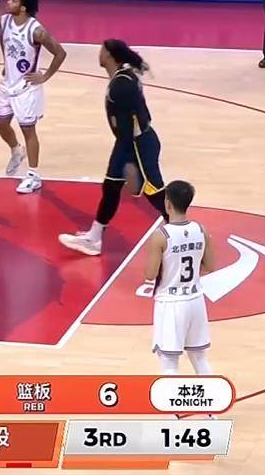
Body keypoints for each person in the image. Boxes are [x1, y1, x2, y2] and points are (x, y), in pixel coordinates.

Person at [59, 40, 169, 256]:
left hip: (138, 144)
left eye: (101, 50)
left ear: (109, 55)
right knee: (110, 187)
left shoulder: (122, 85)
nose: (98, 54)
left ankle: (183, 230)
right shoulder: (122, 77)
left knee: (154, 191)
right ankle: (94, 238)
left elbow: (136, 120)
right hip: (128, 142)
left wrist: (129, 160)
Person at [0, 0, 66, 194]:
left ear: (23, 7)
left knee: (28, 130)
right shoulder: (2, 21)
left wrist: (45, 76)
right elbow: (3, 42)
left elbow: (60, 53)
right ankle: (17, 150)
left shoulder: (36, 31)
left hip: (26, 87)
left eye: (13, 0)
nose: (8, 2)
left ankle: (33, 176)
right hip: (7, 83)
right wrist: (6, 62)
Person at [139, 180, 215, 376]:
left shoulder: (161, 235)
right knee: (200, 359)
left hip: (171, 303)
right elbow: (210, 266)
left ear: (168, 203)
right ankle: (213, 395)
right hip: (195, 300)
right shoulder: (201, 230)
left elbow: (150, 274)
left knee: (169, 364)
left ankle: (172, 398)